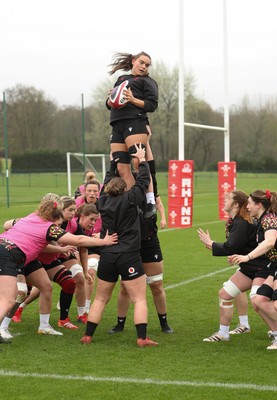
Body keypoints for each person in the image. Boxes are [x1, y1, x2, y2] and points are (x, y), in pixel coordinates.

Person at [0, 195, 118, 343]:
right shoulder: (50, 228)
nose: (60, 225)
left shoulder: (31, 217)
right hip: (9, 255)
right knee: (11, 297)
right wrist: (104, 241)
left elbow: (10, 226)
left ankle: (44, 326)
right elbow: (79, 240)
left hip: (21, 256)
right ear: (55, 218)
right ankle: (2, 327)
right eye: (59, 222)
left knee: (46, 287)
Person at [81, 144, 158, 347]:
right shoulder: (130, 198)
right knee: (139, 299)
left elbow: (108, 179)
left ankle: (88, 335)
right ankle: (142, 338)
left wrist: (113, 162)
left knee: (100, 299)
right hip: (129, 254)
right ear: (124, 188)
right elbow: (143, 181)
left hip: (108, 255)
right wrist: (141, 161)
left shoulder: (102, 201)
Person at [108, 140, 173, 335]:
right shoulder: (124, 195)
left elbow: (150, 171)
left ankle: (164, 322)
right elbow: (118, 172)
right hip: (129, 244)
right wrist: (116, 153)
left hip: (148, 242)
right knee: (125, 288)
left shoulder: (149, 196)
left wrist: (147, 143)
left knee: (156, 285)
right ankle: (120, 323)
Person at [197, 190, 269, 342]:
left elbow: (230, 247)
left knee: (258, 302)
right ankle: (223, 333)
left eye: (229, 198)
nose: (225, 199)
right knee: (225, 294)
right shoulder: (237, 221)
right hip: (249, 268)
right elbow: (235, 247)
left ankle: (274, 332)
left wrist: (210, 243)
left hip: (261, 268)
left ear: (236, 204)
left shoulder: (241, 222)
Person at [106, 51, 158, 217]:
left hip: (135, 122)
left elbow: (151, 105)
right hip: (117, 125)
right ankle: (132, 202)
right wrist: (110, 98)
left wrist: (133, 99)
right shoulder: (121, 79)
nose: (144, 67)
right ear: (134, 61)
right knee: (121, 168)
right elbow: (110, 104)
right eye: (142, 62)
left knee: (138, 161)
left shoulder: (148, 82)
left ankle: (149, 201)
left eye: (147, 65)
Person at [230, 189, 277, 350]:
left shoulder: (269, 219)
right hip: (274, 265)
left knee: (275, 305)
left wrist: (247, 257)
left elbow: (270, 242)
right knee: (258, 301)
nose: (247, 206)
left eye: (250, 203)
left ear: (259, 204)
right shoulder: (261, 219)